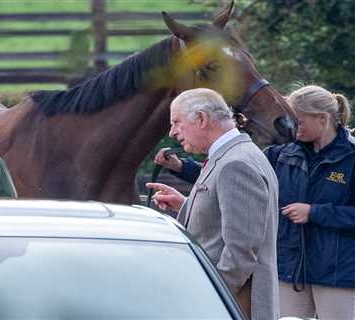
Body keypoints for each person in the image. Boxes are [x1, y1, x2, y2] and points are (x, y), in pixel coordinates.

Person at [147, 88, 279, 320]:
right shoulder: (233, 155)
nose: (172, 132)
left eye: (176, 122)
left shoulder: (235, 163)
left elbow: (241, 251)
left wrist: (211, 297)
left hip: (230, 306)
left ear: (201, 119)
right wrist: (187, 204)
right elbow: (235, 223)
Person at [264, 85, 355, 319]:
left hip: (338, 273)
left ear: (323, 119)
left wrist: (314, 213)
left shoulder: (351, 158)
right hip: (290, 269)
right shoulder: (281, 153)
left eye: (298, 121)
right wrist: (183, 169)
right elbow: (241, 174)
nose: (291, 127)